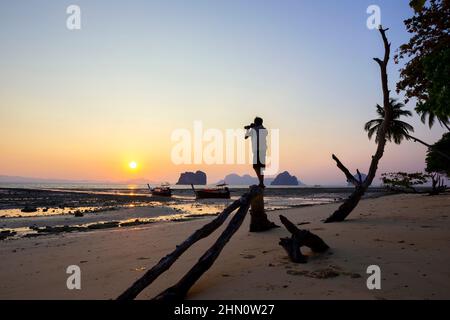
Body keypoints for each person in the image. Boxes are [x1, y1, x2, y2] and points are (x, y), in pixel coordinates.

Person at [245, 117, 267, 188]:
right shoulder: (254, 129)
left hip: (259, 150)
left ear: (257, 123)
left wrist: (252, 127)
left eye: (255, 122)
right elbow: (246, 136)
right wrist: (248, 129)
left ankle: (261, 183)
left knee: (258, 166)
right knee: (259, 167)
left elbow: (263, 131)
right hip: (257, 150)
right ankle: (261, 183)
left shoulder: (262, 129)